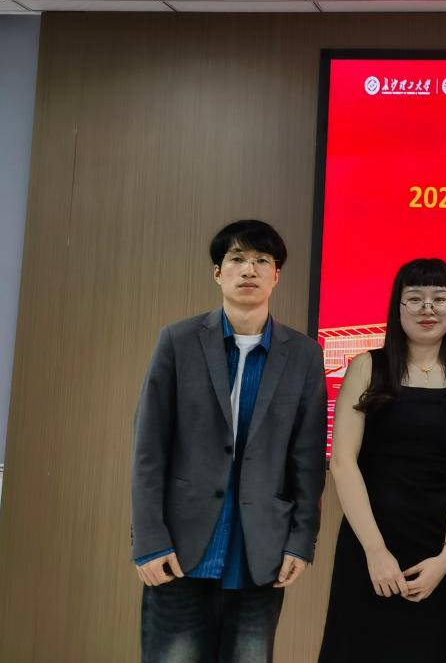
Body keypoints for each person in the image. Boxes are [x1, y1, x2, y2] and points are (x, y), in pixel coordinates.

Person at [131, 219, 327, 663]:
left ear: (276, 275)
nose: (249, 269)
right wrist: (149, 540)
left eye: (262, 261)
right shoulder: (178, 341)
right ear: (218, 272)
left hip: (260, 551)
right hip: (178, 547)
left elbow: (308, 460)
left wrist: (301, 540)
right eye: (237, 259)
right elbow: (149, 451)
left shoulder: (303, 354)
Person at [319, 258, 446, 663]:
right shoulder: (367, 367)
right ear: (398, 307)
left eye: (439, 299)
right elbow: (343, 463)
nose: (428, 309)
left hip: (436, 554)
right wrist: (375, 550)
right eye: (415, 298)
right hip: (369, 545)